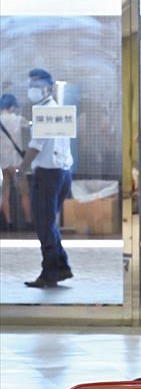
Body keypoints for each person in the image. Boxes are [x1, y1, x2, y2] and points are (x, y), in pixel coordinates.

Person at [17, 69, 73, 288]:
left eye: (36, 84)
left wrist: (22, 168)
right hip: (63, 173)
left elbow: (35, 147)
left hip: (48, 175)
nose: (32, 89)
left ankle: (50, 273)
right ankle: (61, 267)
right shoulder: (58, 111)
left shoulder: (43, 113)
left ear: (48, 87)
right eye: (30, 84)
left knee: (44, 225)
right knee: (49, 223)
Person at [0, 94, 32, 231]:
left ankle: (9, 223)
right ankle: (29, 222)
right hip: (17, 163)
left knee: (5, 194)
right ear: (12, 106)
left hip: (3, 163)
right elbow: (32, 126)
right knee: (24, 193)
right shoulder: (18, 119)